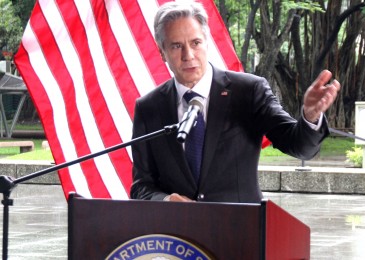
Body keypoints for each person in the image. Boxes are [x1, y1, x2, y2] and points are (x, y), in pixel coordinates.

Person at [130, 1, 341, 203]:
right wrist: (166, 200)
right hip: (177, 235)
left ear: (207, 41)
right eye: (176, 46)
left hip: (240, 230)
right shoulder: (149, 108)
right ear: (162, 52)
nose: (188, 55)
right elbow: (141, 186)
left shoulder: (248, 91)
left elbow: (299, 146)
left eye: (195, 43)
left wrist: (310, 116)